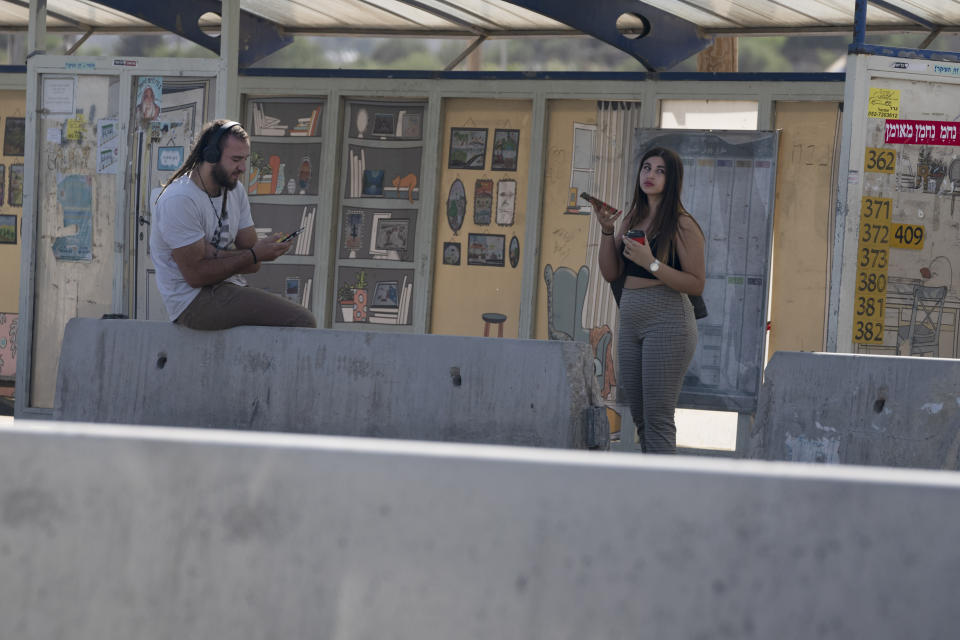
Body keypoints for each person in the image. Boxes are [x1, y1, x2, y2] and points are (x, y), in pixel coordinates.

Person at [150, 119, 317, 330]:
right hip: (192, 302)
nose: (243, 168)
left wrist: (216, 255)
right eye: (236, 159)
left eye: (245, 159)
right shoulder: (180, 199)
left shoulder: (234, 190)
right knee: (303, 321)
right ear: (210, 156)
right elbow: (196, 275)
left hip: (229, 286)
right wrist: (253, 254)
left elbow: (253, 264)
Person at [592, 147, 706, 454]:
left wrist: (651, 262)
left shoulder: (682, 224)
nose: (650, 175)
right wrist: (607, 230)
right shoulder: (633, 217)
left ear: (672, 180)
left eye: (660, 170)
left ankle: (664, 495)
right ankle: (650, 487)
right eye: (646, 168)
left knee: (658, 419)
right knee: (641, 418)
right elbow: (610, 271)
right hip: (631, 323)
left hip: (667, 323)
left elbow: (696, 283)